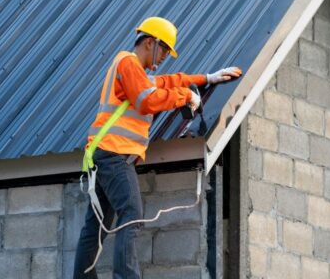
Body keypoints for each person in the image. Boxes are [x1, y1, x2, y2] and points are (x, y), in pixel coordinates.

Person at [73, 16, 241, 278]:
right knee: (131, 213)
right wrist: (185, 96)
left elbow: (167, 81)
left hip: (105, 155)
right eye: (164, 49)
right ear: (150, 42)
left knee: (96, 224)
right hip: (114, 155)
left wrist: (207, 78)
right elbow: (146, 101)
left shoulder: (137, 72)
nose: (165, 56)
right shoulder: (127, 62)